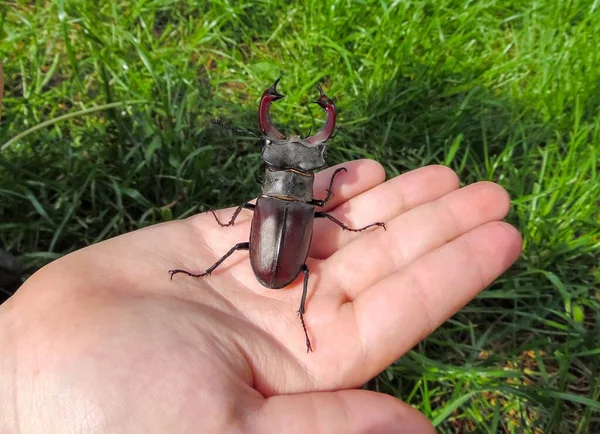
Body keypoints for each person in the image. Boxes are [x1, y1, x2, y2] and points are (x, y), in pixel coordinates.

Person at [0, 160, 522, 433]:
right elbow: (331, 214)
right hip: (280, 267)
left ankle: (239, 285)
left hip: (275, 265)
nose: (291, 170)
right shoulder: (304, 205)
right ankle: (233, 284)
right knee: (290, 266)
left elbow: (306, 217)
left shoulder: (267, 204)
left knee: (250, 246)